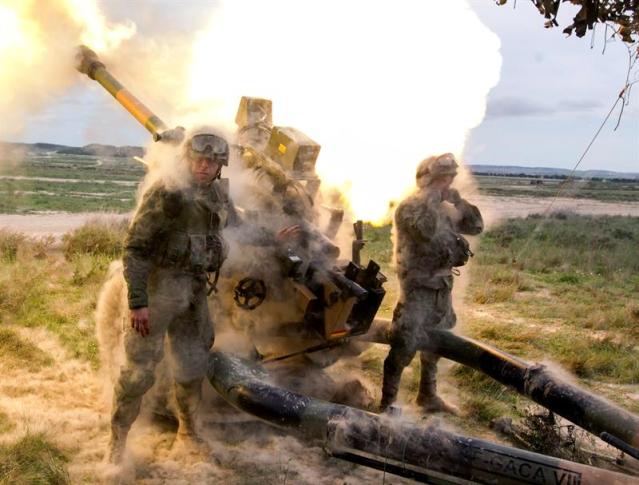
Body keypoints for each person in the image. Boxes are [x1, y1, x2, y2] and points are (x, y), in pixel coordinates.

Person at [107, 131, 234, 463]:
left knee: (192, 364)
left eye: (212, 162)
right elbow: (135, 249)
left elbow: (238, 224)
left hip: (193, 291)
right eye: (199, 159)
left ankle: (188, 433)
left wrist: (274, 236)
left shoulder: (218, 194)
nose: (204, 166)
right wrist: (138, 302)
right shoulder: (167, 193)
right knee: (138, 373)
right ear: (187, 159)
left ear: (220, 166)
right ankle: (117, 445)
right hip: (157, 290)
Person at [380, 153, 483, 414]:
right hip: (418, 288)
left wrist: (459, 203)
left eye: (450, 179)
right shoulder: (410, 207)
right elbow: (424, 231)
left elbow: (475, 226)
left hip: (441, 287)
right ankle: (388, 404)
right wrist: (433, 200)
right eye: (441, 180)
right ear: (426, 181)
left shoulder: (447, 206)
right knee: (405, 343)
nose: (447, 185)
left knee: (437, 341)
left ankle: (427, 395)